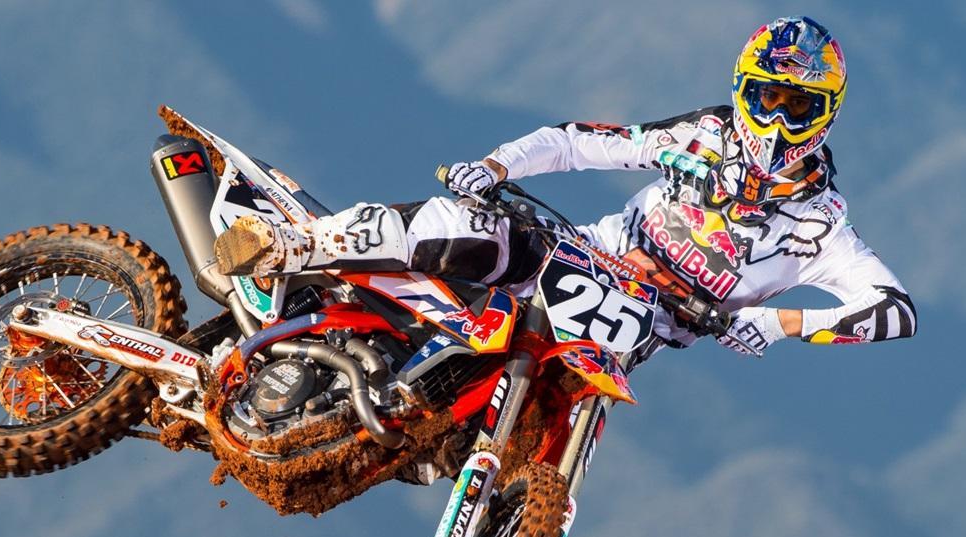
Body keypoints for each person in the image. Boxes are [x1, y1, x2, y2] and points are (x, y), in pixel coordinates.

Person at [213, 15, 916, 358]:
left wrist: (782, 323)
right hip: (579, 256)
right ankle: (289, 242)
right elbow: (577, 141)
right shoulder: (700, 135)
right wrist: (496, 167)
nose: (778, 118)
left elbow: (894, 310)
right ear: (743, 91)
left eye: (799, 105)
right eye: (767, 96)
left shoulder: (820, 229)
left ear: (827, 112)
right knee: (470, 226)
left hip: (634, 332)